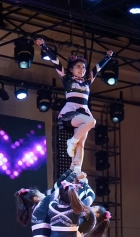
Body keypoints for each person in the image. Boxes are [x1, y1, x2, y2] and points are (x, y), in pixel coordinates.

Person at [36, 38, 113, 173]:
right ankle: (71, 141)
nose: (82, 69)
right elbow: (55, 61)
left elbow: (97, 68)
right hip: (71, 112)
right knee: (92, 122)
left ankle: (76, 168)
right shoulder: (66, 78)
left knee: (81, 143)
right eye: (78, 66)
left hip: (83, 112)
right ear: (71, 69)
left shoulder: (87, 81)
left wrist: (107, 57)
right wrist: (44, 46)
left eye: (83, 67)